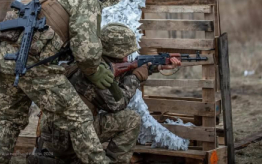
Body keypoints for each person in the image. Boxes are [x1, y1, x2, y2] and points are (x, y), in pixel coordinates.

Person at [0, 0, 122, 164]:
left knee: (10, 122)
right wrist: (93, 71)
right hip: (34, 66)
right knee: (80, 118)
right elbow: (87, 52)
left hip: (6, 61)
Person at [30, 23, 181, 164]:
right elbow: (117, 104)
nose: (128, 57)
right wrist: (136, 77)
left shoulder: (88, 60)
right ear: (118, 53)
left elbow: (122, 72)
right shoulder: (97, 72)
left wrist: (155, 66)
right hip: (67, 139)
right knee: (131, 119)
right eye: (126, 53)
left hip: (54, 136)